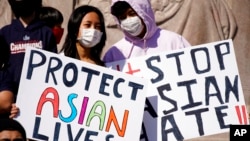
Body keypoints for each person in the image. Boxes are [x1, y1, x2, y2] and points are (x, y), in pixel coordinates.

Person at [0, 0, 57, 118]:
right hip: (10, 103)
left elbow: (53, 71)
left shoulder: (46, 33)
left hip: (37, 102)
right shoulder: (5, 32)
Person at [102, 0, 191, 63]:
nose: (128, 20)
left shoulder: (174, 41)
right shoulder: (114, 53)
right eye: (123, 17)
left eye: (132, 14)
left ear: (144, 12)